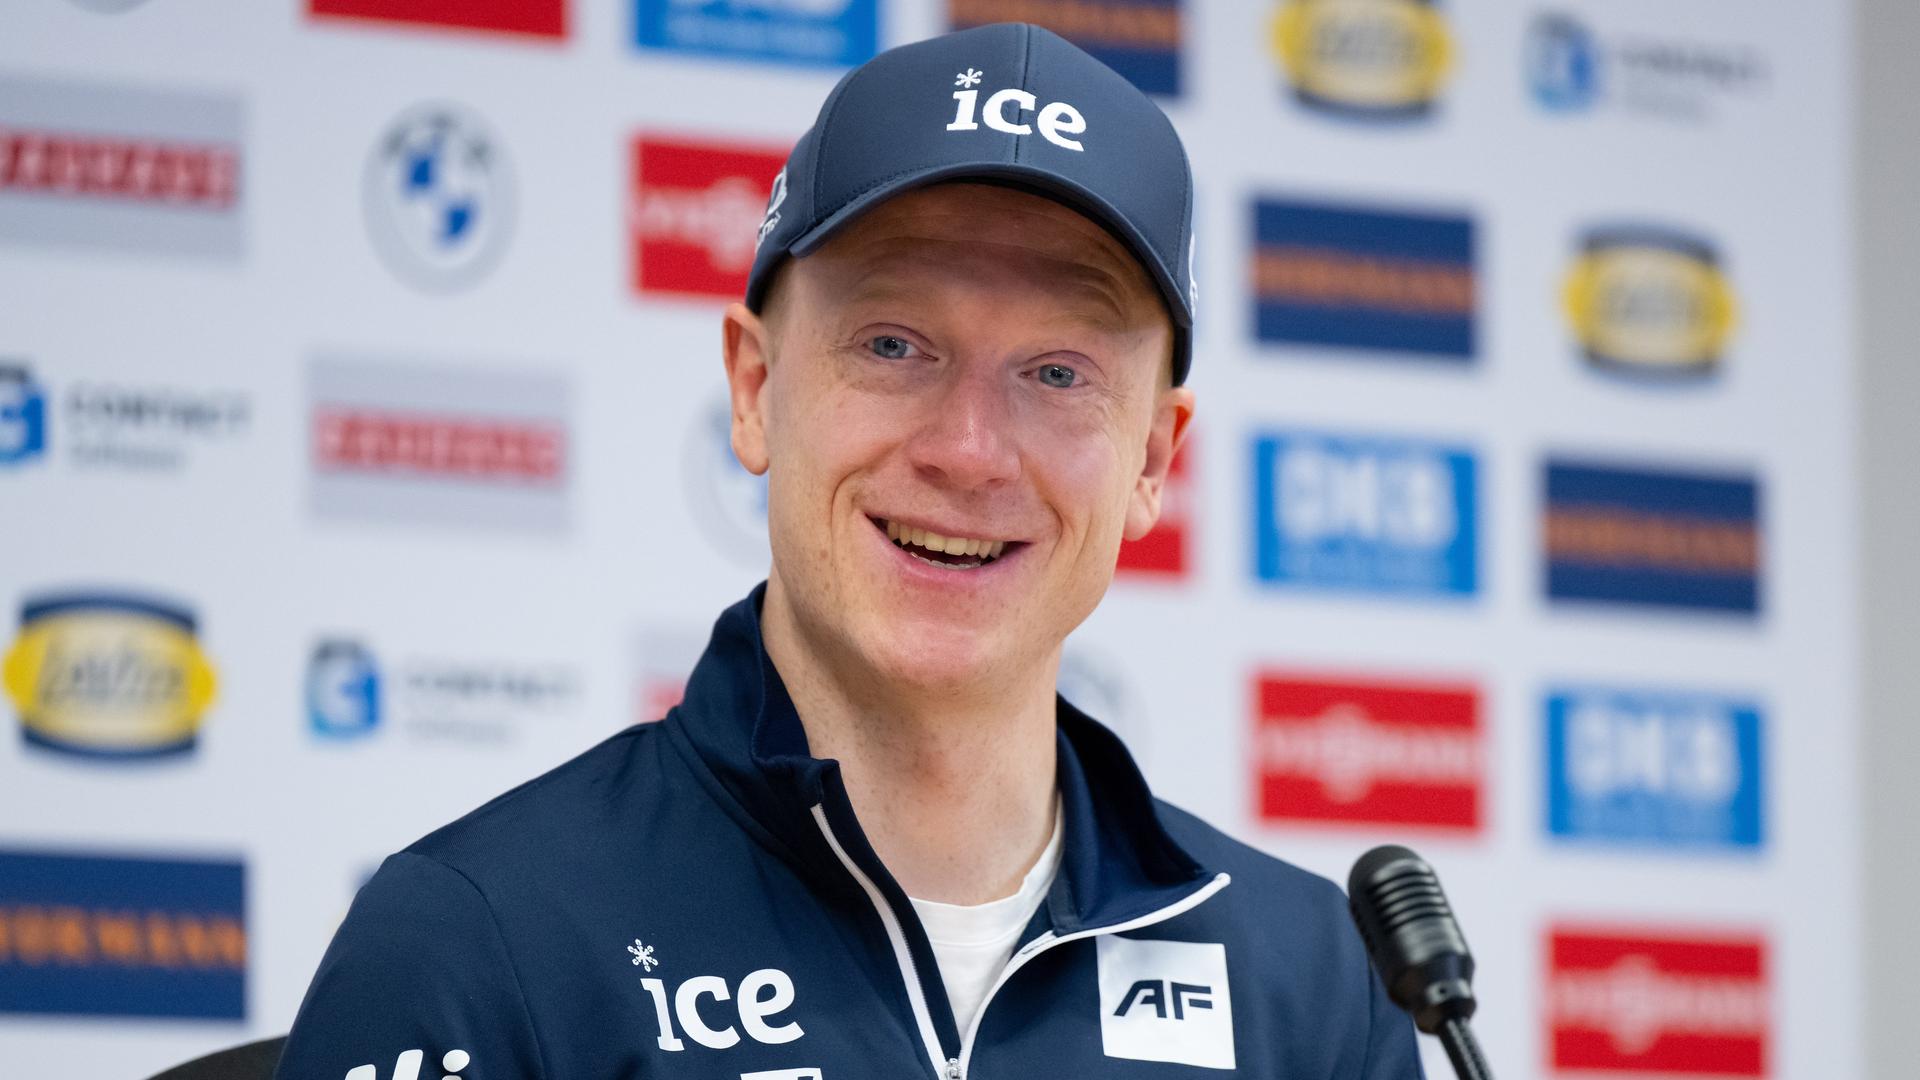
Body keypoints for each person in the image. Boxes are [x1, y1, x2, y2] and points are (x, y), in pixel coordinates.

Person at [275, 22, 1423, 1080]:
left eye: (1059, 372)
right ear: (757, 387)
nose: (971, 452)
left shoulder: (1311, 990)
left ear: (1152, 464)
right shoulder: (485, 941)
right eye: (894, 342)